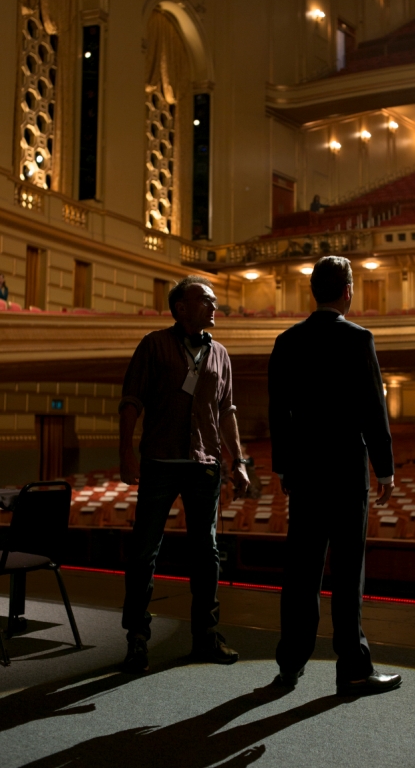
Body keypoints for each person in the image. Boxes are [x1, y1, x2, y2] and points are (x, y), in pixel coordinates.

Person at [268, 255, 401, 696]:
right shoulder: (358, 338)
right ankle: (353, 669)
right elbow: (371, 408)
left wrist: (285, 466)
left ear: (314, 291)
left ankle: (289, 666)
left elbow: (278, 412)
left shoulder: (287, 341)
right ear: (347, 291)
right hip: (346, 472)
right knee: (347, 574)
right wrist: (384, 468)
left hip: (305, 470)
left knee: (301, 571)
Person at [118, 275, 250, 673]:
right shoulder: (154, 345)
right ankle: (137, 638)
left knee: (206, 554)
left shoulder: (221, 354)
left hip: (205, 465)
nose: (215, 307)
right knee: (144, 551)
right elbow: (130, 402)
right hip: (159, 462)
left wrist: (239, 461)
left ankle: (206, 636)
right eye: (206, 300)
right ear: (180, 307)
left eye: (214, 301)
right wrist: (125, 451)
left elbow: (226, 412)